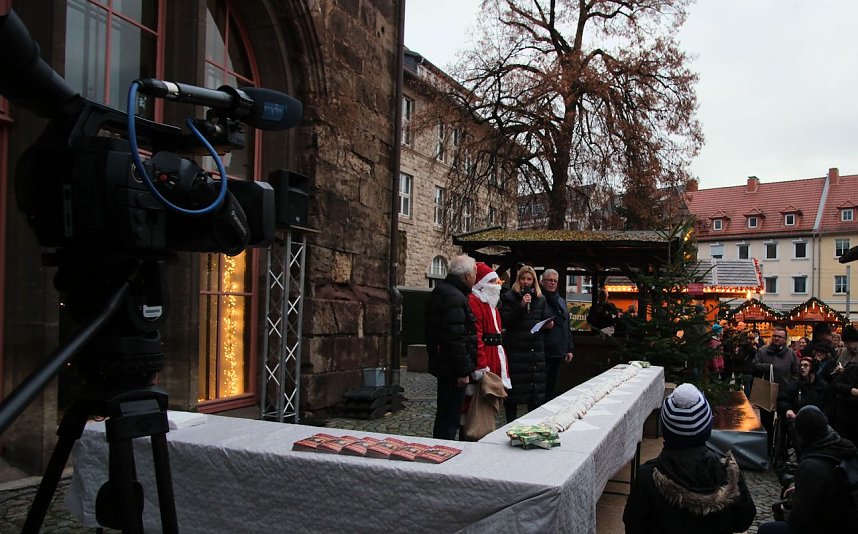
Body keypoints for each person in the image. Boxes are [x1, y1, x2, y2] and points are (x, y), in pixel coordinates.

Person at [623, 383, 756, 533]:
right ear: (707, 427)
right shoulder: (728, 473)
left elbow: (633, 526)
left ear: (666, 429)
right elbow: (744, 519)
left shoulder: (648, 477)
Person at [758, 405, 858, 534]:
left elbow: (799, 520)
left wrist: (784, 509)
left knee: (767, 529)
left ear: (802, 435)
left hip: (830, 526)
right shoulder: (846, 448)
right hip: (846, 519)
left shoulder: (811, 466)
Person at [424, 254, 478, 440]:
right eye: (474, 274)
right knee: (449, 417)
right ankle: (443, 452)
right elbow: (455, 338)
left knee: (446, 414)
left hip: (444, 364)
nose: (475, 279)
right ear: (467, 276)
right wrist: (463, 371)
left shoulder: (443, 291)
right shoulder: (455, 297)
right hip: (452, 368)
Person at [462, 261, 511, 438]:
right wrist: (481, 365)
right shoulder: (474, 302)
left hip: (493, 357)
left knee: (488, 404)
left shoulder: (491, 305)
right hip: (484, 361)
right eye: (492, 282)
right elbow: (476, 336)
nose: (496, 287)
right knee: (472, 406)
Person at [500, 265, 553, 422]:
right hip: (516, 351)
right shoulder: (509, 297)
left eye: (529, 279)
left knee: (534, 393)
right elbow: (506, 321)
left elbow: (543, 318)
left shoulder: (541, 299)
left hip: (534, 351)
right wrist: (521, 306)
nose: (526, 282)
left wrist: (547, 325)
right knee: (514, 394)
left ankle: (532, 424)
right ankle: (509, 424)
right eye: (523, 279)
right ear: (518, 280)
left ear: (534, 281)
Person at [753, 325, 800, 457]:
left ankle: (781, 451)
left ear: (785, 339)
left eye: (779, 337)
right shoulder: (763, 351)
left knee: (784, 424)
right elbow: (754, 366)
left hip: (784, 395)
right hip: (766, 392)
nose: (776, 339)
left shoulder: (790, 354)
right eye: (774, 336)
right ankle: (766, 450)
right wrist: (768, 367)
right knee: (766, 423)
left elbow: (796, 373)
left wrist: (791, 386)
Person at [540, 269, 574, 401]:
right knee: (542, 387)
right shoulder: (539, 300)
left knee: (552, 387)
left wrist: (569, 348)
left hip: (559, 350)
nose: (552, 283)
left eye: (555, 281)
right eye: (549, 280)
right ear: (543, 282)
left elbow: (567, 325)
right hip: (544, 351)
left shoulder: (561, 301)